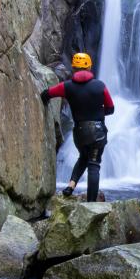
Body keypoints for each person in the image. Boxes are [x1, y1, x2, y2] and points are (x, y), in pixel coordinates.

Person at [40, 53, 114, 202]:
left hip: (79, 133)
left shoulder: (66, 87)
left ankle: (70, 186)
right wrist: (100, 112)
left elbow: (47, 94)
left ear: (74, 68)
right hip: (98, 131)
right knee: (94, 164)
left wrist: (44, 100)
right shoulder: (100, 86)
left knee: (83, 158)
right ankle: (92, 203)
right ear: (89, 67)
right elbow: (111, 108)